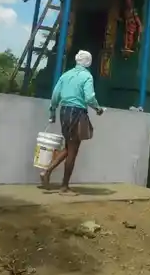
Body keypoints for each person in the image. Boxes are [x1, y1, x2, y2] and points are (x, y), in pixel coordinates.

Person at [40, 50, 104, 194]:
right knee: (73, 150)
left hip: (64, 111)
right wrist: (98, 109)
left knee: (69, 146)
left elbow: (55, 95)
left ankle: (47, 171)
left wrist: (52, 112)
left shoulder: (66, 75)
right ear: (88, 62)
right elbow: (89, 98)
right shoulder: (87, 76)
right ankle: (63, 185)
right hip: (77, 112)